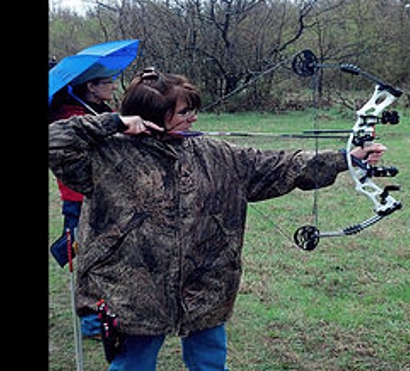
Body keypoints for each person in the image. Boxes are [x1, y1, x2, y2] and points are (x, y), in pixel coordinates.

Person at [48, 69, 387, 370]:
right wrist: (114, 122)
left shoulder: (214, 154)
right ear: (152, 115)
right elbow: (56, 140)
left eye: (193, 109)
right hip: (133, 291)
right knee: (134, 362)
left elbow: (279, 166)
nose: (193, 118)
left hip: (205, 283)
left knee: (209, 361)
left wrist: (347, 159)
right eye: (183, 111)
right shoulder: (107, 154)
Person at [49, 67, 119, 339]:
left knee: (103, 254)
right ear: (91, 86)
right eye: (107, 82)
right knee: (87, 259)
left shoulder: (94, 109)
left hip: (104, 194)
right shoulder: (70, 116)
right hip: (79, 198)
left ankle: (66, 247)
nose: (113, 86)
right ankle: (91, 324)